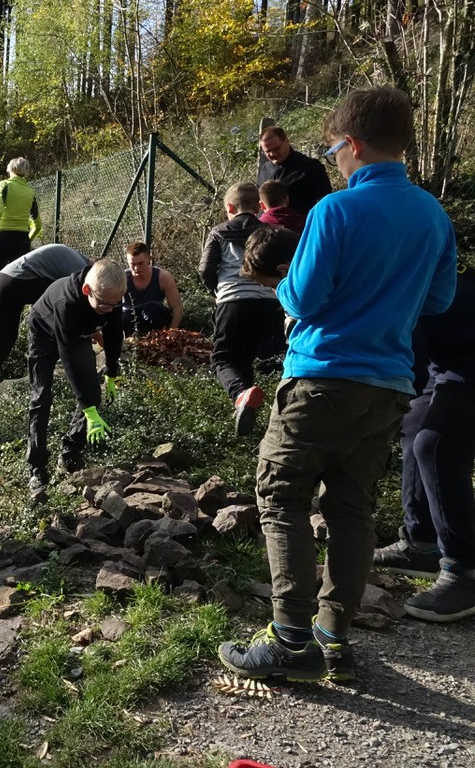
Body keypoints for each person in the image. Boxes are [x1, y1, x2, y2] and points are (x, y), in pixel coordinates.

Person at [219, 86, 457, 684]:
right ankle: (332, 636)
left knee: (280, 494)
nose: (335, 162)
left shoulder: (335, 210)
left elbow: (299, 295)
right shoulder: (432, 214)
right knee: (351, 509)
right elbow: (439, 299)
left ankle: (290, 639)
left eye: (334, 152)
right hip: (391, 386)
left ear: (351, 144)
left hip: (323, 376)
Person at [372, 263, 475, 623]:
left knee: (436, 444)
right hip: (445, 356)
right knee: (414, 426)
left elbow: (404, 365)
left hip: (468, 356)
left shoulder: (398, 284)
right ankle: (422, 543)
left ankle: (465, 569)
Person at [26, 258, 125, 492]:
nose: (110, 309)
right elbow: (68, 359)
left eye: (115, 304)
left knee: (93, 391)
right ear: (86, 290)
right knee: (41, 397)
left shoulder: (110, 294)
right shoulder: (66, 303)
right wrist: (88, 409)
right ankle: (36, 467)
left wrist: (112, 370)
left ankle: (70, 451)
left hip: (78, 333)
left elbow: (113, 333)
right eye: (104, 304)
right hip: (45, 332)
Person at [199, 182, 284, 436]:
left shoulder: (219, 232)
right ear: (259, 206)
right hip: (270, 303)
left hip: (233, 302)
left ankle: (240, 395)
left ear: (228, 206)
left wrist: (215, 289)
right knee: (271, 360)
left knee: (224, 358)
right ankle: (278, 419)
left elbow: (205, 268)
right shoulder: (271, 232)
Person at [0, 244, 89, 396]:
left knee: (3, 339)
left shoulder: (74, 256)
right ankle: (50, 356)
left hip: (3, 279)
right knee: (61, 299)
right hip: (18, 282)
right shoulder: (82, 271)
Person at [0, 157, 43, 308]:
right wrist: (28, 239)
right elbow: (38, 224)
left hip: (2, 237)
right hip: (21, 240)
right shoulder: (30, 192)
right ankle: (16, 313)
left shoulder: (4, 185)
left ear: (11, 169)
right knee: (17, 279)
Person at [257, 125, 333, 217]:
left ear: (286, 141)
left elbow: (325, 203)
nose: (273, 154)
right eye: (268, 151)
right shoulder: (265, 170)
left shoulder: (311, 167)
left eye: (276, 148)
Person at [122, 241, 183, 335]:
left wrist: (172, 331)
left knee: (154, 310)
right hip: (130, 319)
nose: (136, 268)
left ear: (149, 259)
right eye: (133, 264)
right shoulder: (122, 278)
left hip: (153, 318)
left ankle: (157, 342)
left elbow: (176, 307)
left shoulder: (163, 277)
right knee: (123, 316)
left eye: (141, 263)